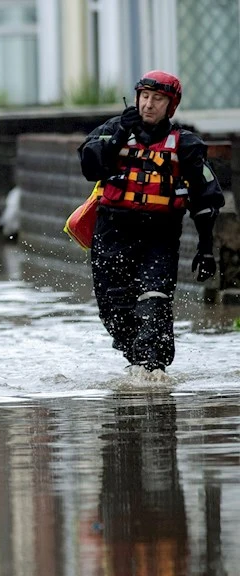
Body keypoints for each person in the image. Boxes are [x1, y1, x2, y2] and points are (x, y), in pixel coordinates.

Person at [78, 70, 224, 377]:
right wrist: (119, 136)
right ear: (136, 98)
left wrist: (206, 248)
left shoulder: (186, 145)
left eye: (157, 99)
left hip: (159, 235)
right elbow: (90, 167)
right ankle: (138, 363)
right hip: (112, 233)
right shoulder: (112, 130)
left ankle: (155, 369)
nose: (148, 105)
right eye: (144, 97)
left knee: (154, 301)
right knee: (114, 311)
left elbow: (206, 199)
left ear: (171, 106)